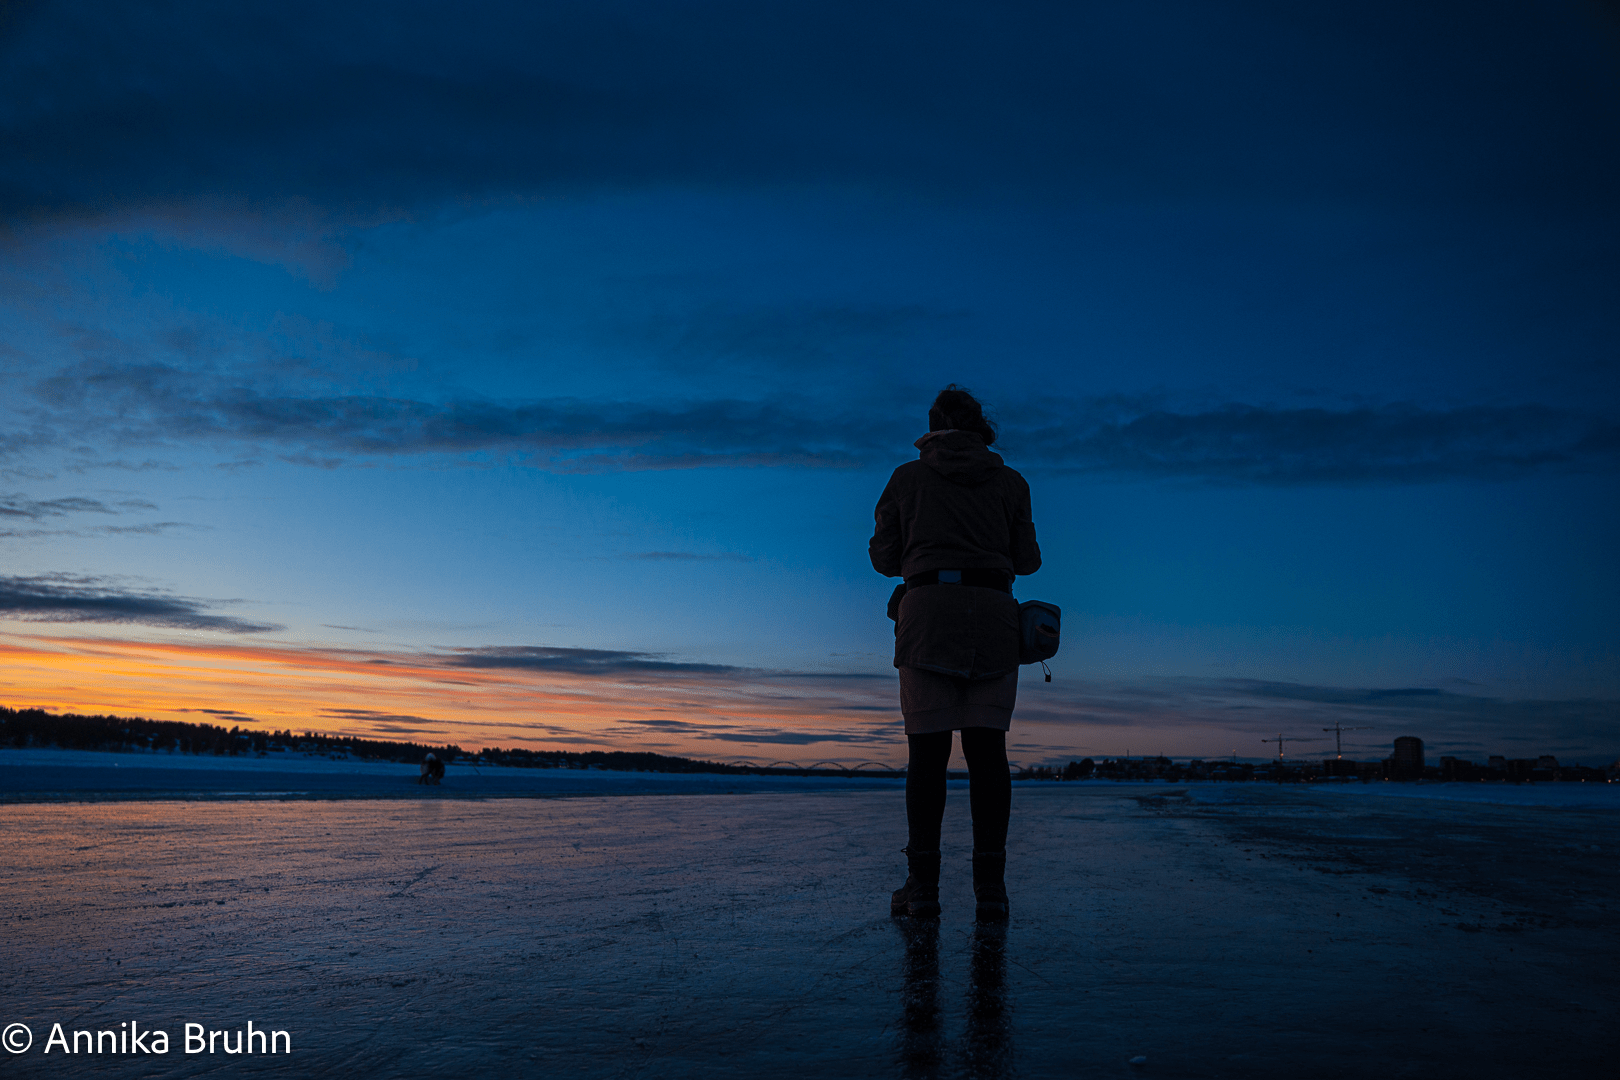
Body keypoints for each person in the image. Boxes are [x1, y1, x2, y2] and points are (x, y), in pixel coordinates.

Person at [869, 385, 1041, 921]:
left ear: (932, 427)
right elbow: (1028, 561)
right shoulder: (1012, 482)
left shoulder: (907, 478)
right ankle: (992, 891)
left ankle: (923, 888)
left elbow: (883, 558)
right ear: (979, 427)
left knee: (928, 756)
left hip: (927, 619)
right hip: (993, 619)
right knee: (988, 754)